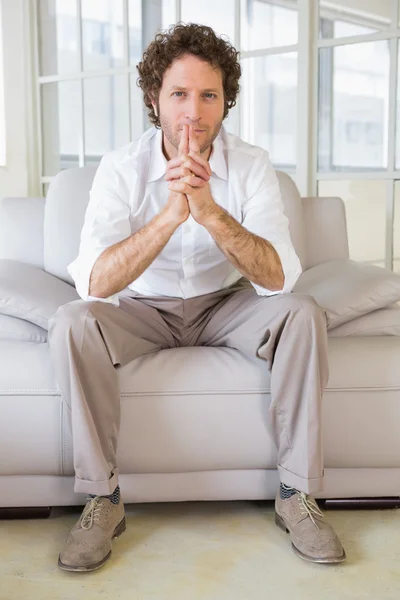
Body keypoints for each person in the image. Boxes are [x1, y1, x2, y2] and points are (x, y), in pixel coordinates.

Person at [48, 22, 346, 573]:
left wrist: (208, 210)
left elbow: (278, 280)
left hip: (224, 304)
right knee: (72, 320)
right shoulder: (120, 169)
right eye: (178, 94)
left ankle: (297, 494)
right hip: (142, 309)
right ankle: (102, 498)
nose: (193, 111)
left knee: (302, 314)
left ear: (225, 102)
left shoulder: (252, 165)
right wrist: (170, 215)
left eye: (208, 95)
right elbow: (94, 283)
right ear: (154, 101)